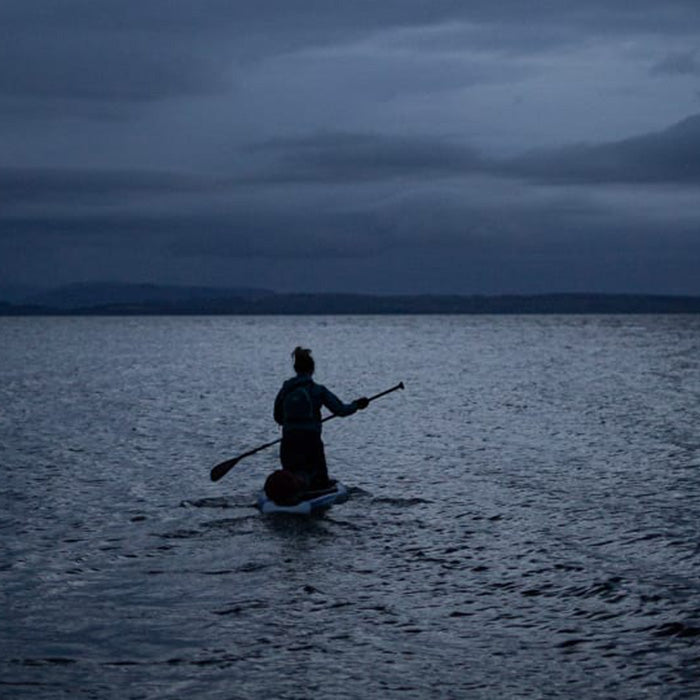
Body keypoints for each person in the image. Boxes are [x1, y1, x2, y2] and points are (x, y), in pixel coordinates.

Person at [270, 347, 368, 500]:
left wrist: (294, 424)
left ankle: (289, 492)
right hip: (311, 441)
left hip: (288, 441)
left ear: (296, 369)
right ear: (312, 369)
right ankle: (310, 497)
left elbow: (278, 417)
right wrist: (357, 405)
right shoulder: (318, 390)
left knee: (292, 473)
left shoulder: (285, 390)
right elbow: (341, 410)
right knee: (319, 480)